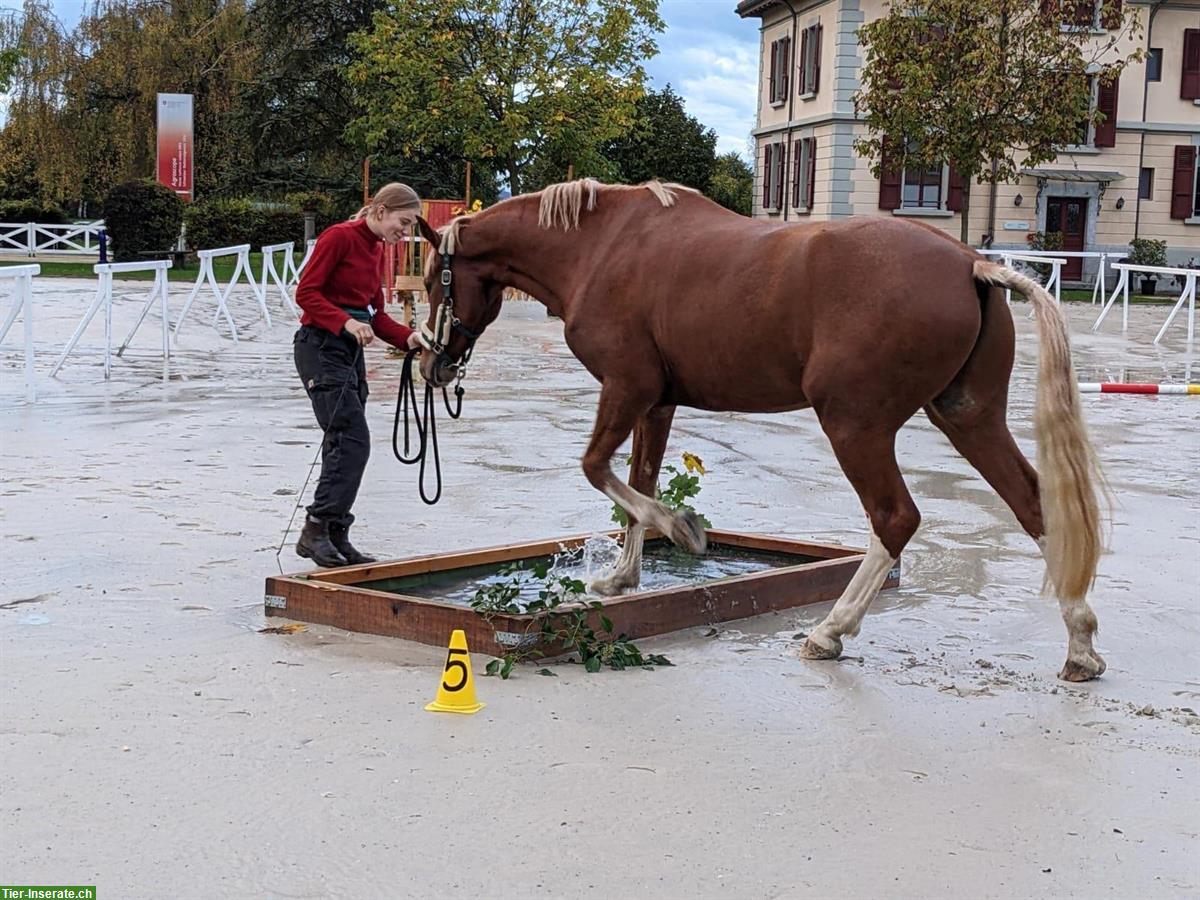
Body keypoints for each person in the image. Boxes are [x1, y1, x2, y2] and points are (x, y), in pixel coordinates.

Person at [293, 182, 425, 567]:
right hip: (319, 347)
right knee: (351, 439)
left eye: (411, 225)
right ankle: (315, 528)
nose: (405, 232)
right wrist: (346, 323)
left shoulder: (376, 248)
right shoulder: (340, 237)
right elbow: (307, 294)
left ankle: (334, 532)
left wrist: (412, 338)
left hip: (349, 353)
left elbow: (378, 316)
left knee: (346, 444)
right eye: (403, 222)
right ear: (381, 210)